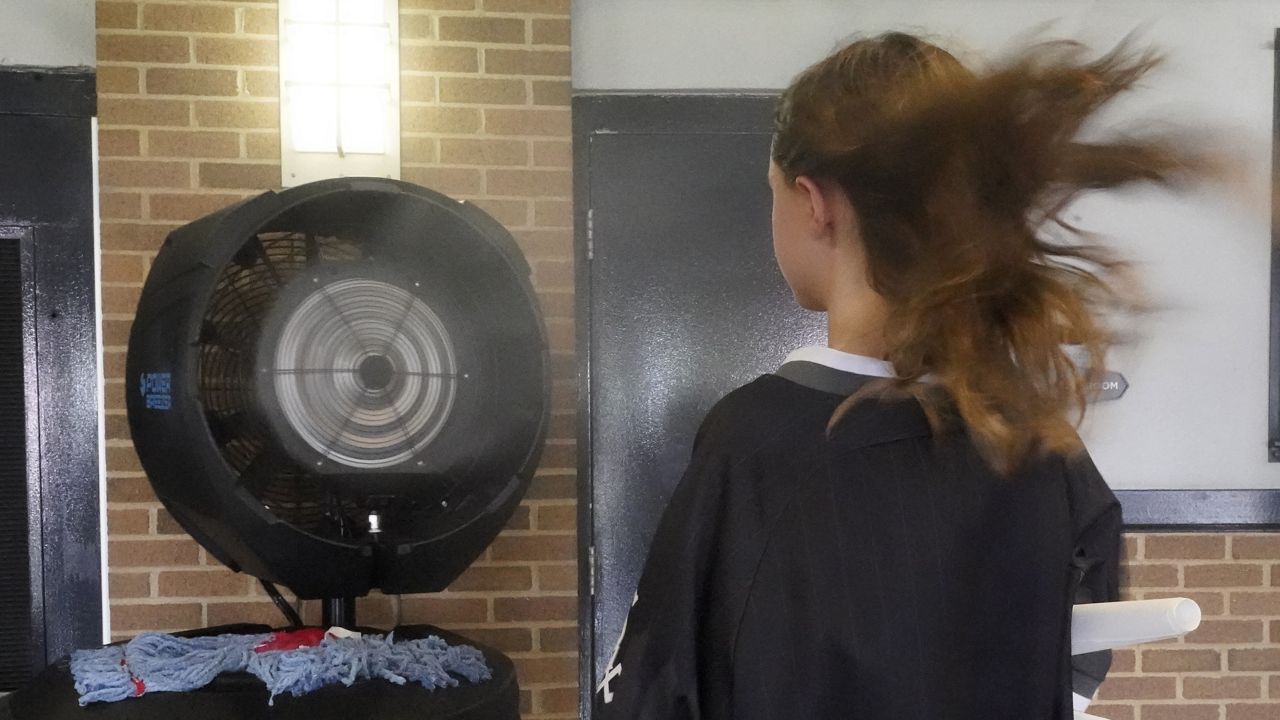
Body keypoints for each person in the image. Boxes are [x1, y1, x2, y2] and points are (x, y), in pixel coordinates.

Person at [594, 31, 1199, 720]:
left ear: (813, 202)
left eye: (772, 193)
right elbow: (1081, 644)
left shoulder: (755, 445)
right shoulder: (1036, 443)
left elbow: (650, 696)